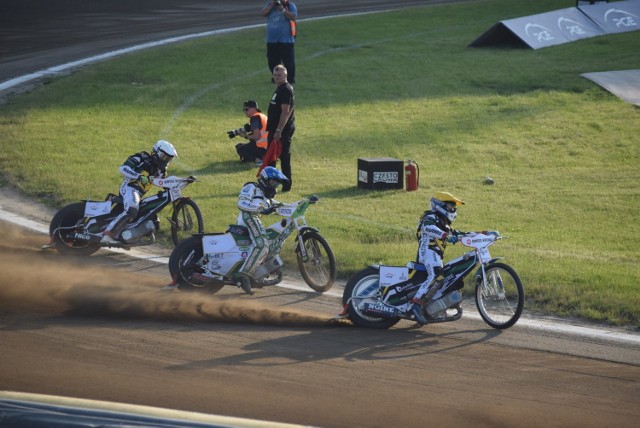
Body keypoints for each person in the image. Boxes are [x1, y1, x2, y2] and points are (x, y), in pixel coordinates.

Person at [100, 140, 177, 245]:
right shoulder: (142, 156)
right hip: (129, 188)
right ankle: (107, 235)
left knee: (153, 219)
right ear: (156, 152)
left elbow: (164, 184)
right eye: (164, 157)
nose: (166, 160)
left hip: (138, 195)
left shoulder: (161, 172)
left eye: (169, 159)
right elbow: (123, 168)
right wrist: (138, 176)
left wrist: (181, 183)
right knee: (132, 209)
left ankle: (126, 238)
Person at [409, 192, 465, 325]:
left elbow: (461, 234)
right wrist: (445, 235)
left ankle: (434, 306)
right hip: (427, 252)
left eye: (454, 208)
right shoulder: (429, 216)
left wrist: (483, 234)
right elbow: (428, 228)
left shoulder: (445, 224)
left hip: (435, 255)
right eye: (450, 207)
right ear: (440, 205)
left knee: (448, 277)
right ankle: (416, 305)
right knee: (436, 276)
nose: (453, 210)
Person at [234, 166, 290, 295]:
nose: (275, 187)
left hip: (254, 217)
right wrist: (260, 209)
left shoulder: (267, 198)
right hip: (248, 216)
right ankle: (243, 275)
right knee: (262, 245)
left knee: (272, 245)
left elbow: (281, 206)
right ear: (264, 180)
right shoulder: (251, 187)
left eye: (277, 184)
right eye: (273, 183)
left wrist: (302, 203)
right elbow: (241, 204)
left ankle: (257, 272)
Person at [259, 64, 295, 192]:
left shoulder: (285, 90)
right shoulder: (280, 88)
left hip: (281, 132)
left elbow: (285, 112)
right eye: (275, 75)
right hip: (276, 130)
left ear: (286, 75)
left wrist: (279, 130)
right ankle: (273, 183)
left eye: (279, 75)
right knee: (274, 157)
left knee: (280, 157)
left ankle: (282, 184)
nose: (276, 77)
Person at [260, 0, 297, 84]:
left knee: (288, 62)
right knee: (272, 61)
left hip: (286, 40)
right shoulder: (270, 5)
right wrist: (272, 5)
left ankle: (290, 79)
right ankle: (276, 78)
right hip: (272, 39)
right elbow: (262, 13)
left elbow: (293, 16)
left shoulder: (290, 5)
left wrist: (283, 10)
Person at [229, 100, 268, 165]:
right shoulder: (262, 116)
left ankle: (258, 160)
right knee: (239, 145)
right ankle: (260, 158)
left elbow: (257, 137)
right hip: (269, 148)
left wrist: (245, 136)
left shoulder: (255, 118)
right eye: (244, 110)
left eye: (246, 109)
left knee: (240, 149)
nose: (245, 112)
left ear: (254, 108)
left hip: (262, 148)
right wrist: (235, 132)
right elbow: (248, 128)